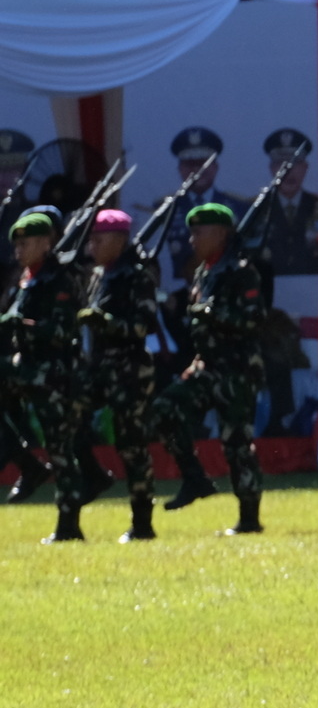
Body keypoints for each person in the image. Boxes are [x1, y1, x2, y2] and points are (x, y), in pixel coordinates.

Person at [158, 203, 268, 535]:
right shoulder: (205, 272)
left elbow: (254, 321)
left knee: (236, 442)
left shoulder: (241, 271)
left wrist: (214, 314)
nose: (192, 239)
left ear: (221, 234)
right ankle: (195, 478)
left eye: (199, 232)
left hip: (237, 370)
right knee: (165, 408)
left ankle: (249, 518)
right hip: (207, 367)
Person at [3, 208, 96, 543]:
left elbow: (62, 329)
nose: (18, 250)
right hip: (30, 371)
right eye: (16, 244)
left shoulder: (60, 279)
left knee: (61, 449)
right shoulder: (27, 279)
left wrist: (22, 326)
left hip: (58, 375)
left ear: (45, 243)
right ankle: (24, 460)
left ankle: (68, 525)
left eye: (25, 243)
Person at [76, 209, 162, 542]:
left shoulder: (137, 276)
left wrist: (106, 323)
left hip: (129, 371)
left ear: (119, 240)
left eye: (98, 239)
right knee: (68, 420)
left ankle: (142, 523)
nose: (92, 246)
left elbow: (144, 324)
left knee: (132, 445)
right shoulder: (99, 275)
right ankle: (95, 475)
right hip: (98, 368)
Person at [160, 127, 239, 288]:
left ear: (216, 166)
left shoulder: (237, 207)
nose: (196, 170)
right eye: (189, 163)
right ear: (180, 168)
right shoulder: (163, 210)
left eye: (203, 163)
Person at [257, 128, 318, 278]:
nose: (289, 170)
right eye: (281, 162)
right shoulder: (259, 208)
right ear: (272, 168)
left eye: (296, 162)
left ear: (305, 167)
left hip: (312, 284)